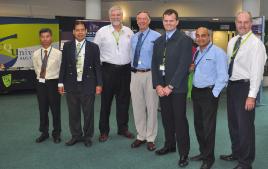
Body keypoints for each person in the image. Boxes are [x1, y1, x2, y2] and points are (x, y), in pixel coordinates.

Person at [220, 11, 267, 169]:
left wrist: (252, 96)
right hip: (232, 87)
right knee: (233, 124)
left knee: (245, 126)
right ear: (235, 22)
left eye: (246, 22)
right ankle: (236, 152)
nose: (242, 25)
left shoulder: (256, 44)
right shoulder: (233, 41)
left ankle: (245, 162)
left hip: (245, 88)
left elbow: (257, 72)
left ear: (251, 23)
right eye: (239, 22)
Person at [151, 9, 192, 167]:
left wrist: (170, 86)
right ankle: (169, 145)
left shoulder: (184, 40)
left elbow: (183, 66)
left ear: (177, 22)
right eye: (165, 21)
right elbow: (154, 64)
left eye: (171, 20)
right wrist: (158, 85)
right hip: (162, 89)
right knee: (167, 119)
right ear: (163, 22)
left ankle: (184, 154)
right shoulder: (159, 41)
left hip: (177, 89)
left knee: (180, 121)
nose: (168, 23)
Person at [58, 21, 102, 147]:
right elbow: (64, 66)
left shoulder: (94, 47)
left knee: (88, 112)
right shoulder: (67, 46)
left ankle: (88, 136)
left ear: (86, 32)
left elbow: (97, 67)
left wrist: (99, 84)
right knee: (73, 112)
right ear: (73, 32)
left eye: (82, 29)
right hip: (71, 84)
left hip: (88, 83)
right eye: (77, 30)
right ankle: (76, 136)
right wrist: (60, 83)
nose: (80, 32)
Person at [94, 5, 134, 142]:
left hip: (125, 71)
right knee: (106, 103)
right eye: (113, 15)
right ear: (109, 17)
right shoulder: (102, 32)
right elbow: (95, 52)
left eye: (118, 15)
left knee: (124, 102)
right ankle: (104, 131)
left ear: (122, 17)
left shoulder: (129, 31)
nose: (116, 17)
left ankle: (123, 128)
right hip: (108, 71)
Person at [190, 27, 228, 169]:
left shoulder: (218, 53)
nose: (200, 38)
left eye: (203, 36)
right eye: (198, 36)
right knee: (198, 125)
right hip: (197, 92)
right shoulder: (197, 52)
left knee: (208, 128)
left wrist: (214, 94)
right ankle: (203, 153)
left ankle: (209, 158)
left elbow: (223, 76)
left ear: (209, 37)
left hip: (209, 94)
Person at [130, 11, 160, 151]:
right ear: (137, 21)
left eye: (144, 19)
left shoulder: (157, 36)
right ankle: (141, 135)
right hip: (135, 74)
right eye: (139, 19)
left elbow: (161, 58)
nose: (141, 21)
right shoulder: (134, 37)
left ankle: (150, 137)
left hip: (150, 74)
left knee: (152, 107)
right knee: (137, 106)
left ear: (149, 21)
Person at [32, 28, 62, 143]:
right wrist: (42, 78)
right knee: (42, 109)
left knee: (55, 110)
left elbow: (61, 70)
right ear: (40, 38)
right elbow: (36, 69)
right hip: (41, 83)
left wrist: (60, 84)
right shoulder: (35, 54)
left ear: (51, 38)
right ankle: (44, 132)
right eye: (43, 37)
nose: (45, 39)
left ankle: (57, 133)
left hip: (53, 83)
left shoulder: (58, 53)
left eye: (47, 36)